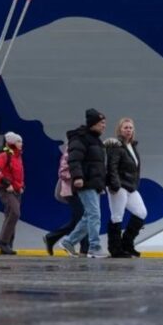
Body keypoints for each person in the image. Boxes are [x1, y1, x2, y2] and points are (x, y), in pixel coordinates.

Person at [60, 109, 109, 258]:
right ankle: (94, 247)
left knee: (88, 216)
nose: (104, 126)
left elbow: (98, 164)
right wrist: (77, 177)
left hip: (94, 183)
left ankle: (69, 242)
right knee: (94, 215)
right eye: (101, 123)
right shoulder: (80, 138)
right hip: (85, 182)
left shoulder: (95, 140)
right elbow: (74, 159)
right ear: (93, 123)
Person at [105, 117, 148, 258]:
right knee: (117, 216)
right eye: (125, 128)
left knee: (141, 213)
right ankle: (115, 249)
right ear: (120, 130)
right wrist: (115, 185)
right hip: (119, 186)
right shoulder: (116, 146)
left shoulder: (132, 146)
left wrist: (135, 184)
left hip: (131, 187)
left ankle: (127, 244)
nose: (128, 130)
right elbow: (112, 166)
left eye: (130, 128)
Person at [44, 142, 87, 256]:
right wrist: (78, 177)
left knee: (78, 219)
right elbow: (62, 172)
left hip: (79, 191)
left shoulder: (82, 150)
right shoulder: (70, 151)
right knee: (83, 218)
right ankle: (84, 248)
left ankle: (51, 237)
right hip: (71, 190)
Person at [0, 131, 25, 255]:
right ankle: (3, 242)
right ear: (11, 143)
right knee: (15, 213)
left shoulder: (18, 157)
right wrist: (7, 184)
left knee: (10, 215)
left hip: (16, 190)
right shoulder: (4, 156)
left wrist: (21, 186)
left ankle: (8, 245)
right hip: (6, 189)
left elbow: (19, 174)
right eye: (18, 141)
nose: (21, 144)